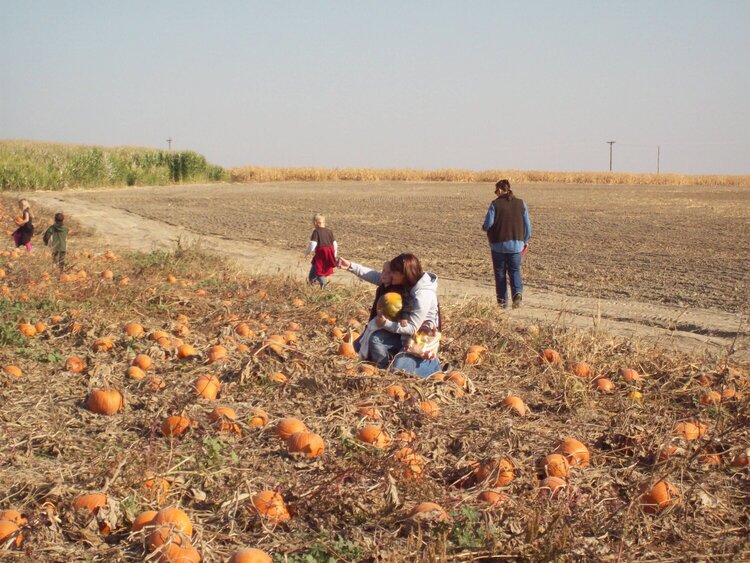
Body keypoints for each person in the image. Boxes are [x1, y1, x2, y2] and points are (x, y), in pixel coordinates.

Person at [340, 253, 442, 377]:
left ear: (403, 274)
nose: (390, 275)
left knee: (398, 369)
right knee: (372, 340)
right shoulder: (409, 281)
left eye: (393, 272)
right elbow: (379, 277)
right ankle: (382, 369)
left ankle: (434, 366)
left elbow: (412, 328)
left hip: (419, 341)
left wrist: (385, 324)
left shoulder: (423, 295)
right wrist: (351, 266)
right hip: (403, 336)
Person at [337, 258, 405, 354]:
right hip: (373, 324)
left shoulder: (395, 293)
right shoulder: (383, 284)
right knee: (357, 347)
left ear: (395, 275)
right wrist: (350, 266)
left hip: (383, 328)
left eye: (388, 272)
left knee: (371, 347)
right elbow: (369, 274)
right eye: (383, 271)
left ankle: (381, 364)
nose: (383, 274)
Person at [482, 179, 531, 308]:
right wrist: (524, 241)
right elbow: (528, 227)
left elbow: (488, 224)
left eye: (495, 191)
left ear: (499, 190)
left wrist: (485, 228)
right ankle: (517, 294)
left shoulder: (495, 204)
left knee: (500, 275)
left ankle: (502, 304)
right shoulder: (521, 204)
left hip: (498, 245)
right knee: (514, 271)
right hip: (516, 246)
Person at [304, 214, 337, 287]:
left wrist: (307, 252)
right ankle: (310, 284)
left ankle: (326, 288)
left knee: (320, 272)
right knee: (315, 268)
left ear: (315, 222)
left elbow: (313, 244)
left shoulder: (316, 231)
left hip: (321, 253)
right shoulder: (329, 231)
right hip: (329, 252)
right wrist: (333, 254)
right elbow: (335, 244)